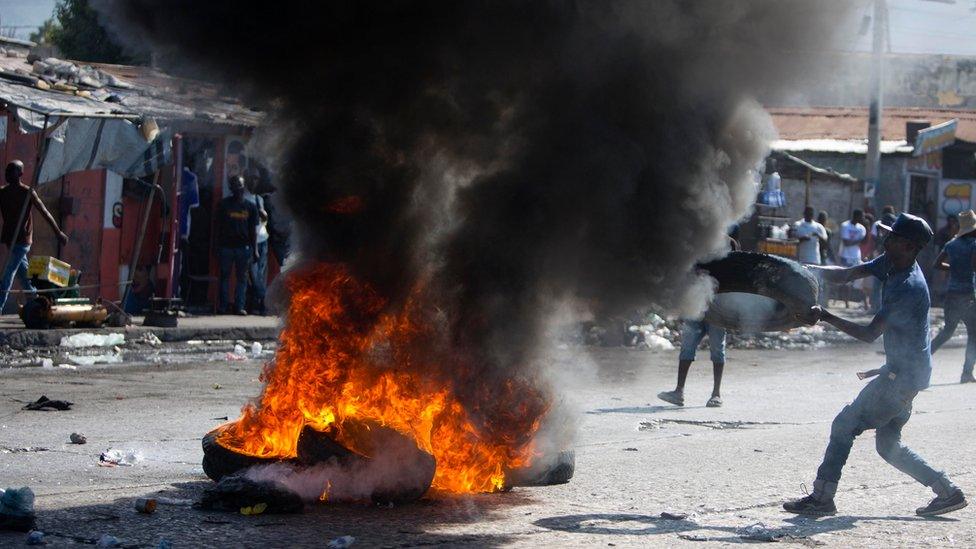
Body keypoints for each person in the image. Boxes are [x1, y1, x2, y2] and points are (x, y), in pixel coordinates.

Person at [784, 213, 967, 517]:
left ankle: (821, 497)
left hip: (901, 379)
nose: (886, 239)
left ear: (908, 246)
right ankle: (948, 491)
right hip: (909, 374)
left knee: (844, 424)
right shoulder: (892, 262)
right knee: (888, 444)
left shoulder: (907, 287)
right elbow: (846, 274)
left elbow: (869, 334)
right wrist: (803, 270)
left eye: (893, 237)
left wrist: (826, 316)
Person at [658, 234, 738, 408]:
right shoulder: (700, 238)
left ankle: (716, 394)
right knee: (687, 347)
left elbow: (735, 274)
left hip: (718, 306)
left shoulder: (729, 243)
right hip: (697, 304)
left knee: (717, 349)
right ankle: (679, 392)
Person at [0, 160, 68, 313]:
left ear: (21, 174)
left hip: (22, 241)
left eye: (12, 171)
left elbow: (45, 213)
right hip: (10, 240)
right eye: (7, 171)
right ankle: (37, 303)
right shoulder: (3, 193)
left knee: (7, 274)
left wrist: (58, 232)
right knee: (24, 275)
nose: (8, 174)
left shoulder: (27, 192)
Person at [931, 209, 976, 383]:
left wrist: (954, 268)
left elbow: (937, 264)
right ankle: (966, 373)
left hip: (951, 295)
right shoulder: (973, 245)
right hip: (968, 296)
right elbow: (974, 267)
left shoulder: (951, 244)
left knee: (947, 331)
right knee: (974, 335)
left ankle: (919, 362)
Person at [216, 175, 259, 315]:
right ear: (231, 188)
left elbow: (254, 230)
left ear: (243, 187)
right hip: (226, 247)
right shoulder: (223, 205)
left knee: (242, 279)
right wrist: (215, 247)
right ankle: (223, 306)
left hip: (244, 248)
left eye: (240, 186)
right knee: (224, 277)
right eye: (235, 186)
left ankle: (239, 307)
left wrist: (255, 250)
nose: (238, 189)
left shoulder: (251, 207)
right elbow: (217, 227)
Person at [243, 169, 270, 315]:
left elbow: (264, 219)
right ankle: (264, 302)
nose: (254, 181)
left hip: (263, 238)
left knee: (260, 274)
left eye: (256, 179)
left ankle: (257, 304)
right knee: (252, 275)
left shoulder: (260, 199)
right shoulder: (244, 199)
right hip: (250, 241)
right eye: (252, 178)